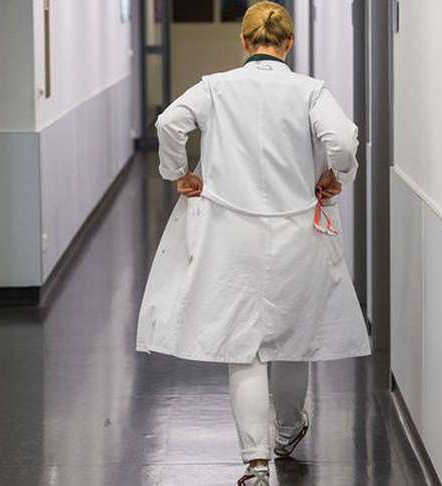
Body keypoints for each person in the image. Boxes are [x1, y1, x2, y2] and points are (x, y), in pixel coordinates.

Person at [135, 2, 371, 484]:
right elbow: (343, 140)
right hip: (297, 231)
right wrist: (337, 176)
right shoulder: (310, 91)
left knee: (241, 345)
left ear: (244, 41)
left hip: (229, 232)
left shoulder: (215, 88)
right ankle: (288, 430)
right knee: (293, 336)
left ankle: (256, 463)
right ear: (289, 43)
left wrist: (179, 173)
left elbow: (168, 123)